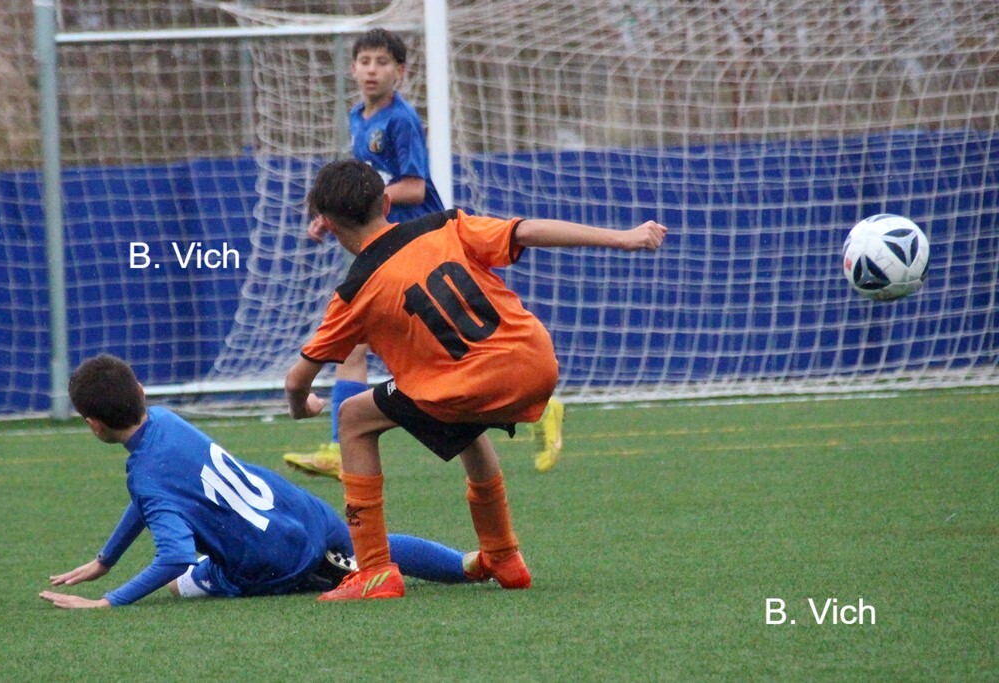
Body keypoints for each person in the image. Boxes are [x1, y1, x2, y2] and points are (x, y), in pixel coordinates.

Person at [284, 159, 667, 600]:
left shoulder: (353, 293)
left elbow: (297, 381)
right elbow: (526, 230)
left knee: (354, 416)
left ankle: (373, 571)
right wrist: (623, 238)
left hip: (469, 384)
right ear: (386, 203)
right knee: (450, 406)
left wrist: (303, 407)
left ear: (330, 226)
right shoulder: (446, 225)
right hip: (535, 361)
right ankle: (503, 556)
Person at [39, 354, 482, 609]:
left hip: (271, 559)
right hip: (298, 508)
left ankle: (328, 570)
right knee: (362, 547)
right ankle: (470, 562)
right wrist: (106, 559)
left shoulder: (147, 476)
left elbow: (174, 556)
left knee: (179, 584)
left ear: (94, 425)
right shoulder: (164, 419)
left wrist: (108, 600)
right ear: (140, 390)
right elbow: (150, 497)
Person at [283, 28, 447, 480]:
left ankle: (542, 402)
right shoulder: (358, 116)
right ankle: (340, 447)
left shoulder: (401, 121)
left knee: (443, 350)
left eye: (382, 62)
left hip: (418, 241)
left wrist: (365, 199)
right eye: (365, 61)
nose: (372, 70)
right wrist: (334, 214)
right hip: (384, 245)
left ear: (401, 71)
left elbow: (414, 188)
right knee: (357, 340)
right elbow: (367, 187)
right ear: (352, 68)